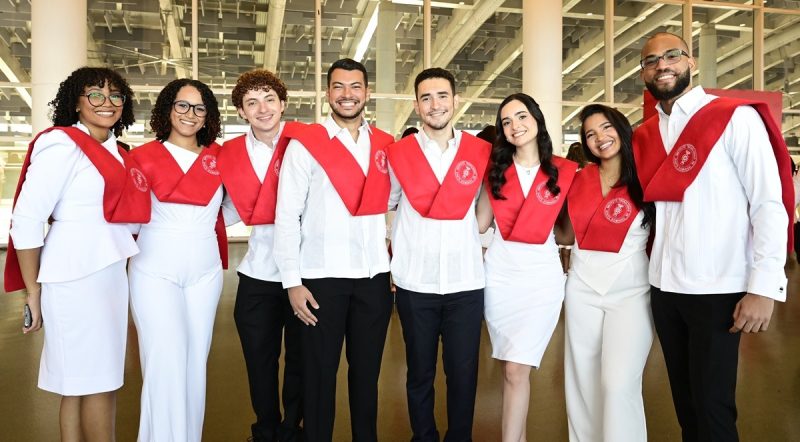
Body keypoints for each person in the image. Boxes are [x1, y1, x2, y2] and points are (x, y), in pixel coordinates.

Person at [633, 32, 793, 441]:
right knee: (686, 408)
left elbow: (768, 204)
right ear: (644, 74)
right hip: (664, 288)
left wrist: (764, 287)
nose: (662, 65)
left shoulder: (734, 118)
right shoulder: (646, 134)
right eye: (651, 61)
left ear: (691, 62)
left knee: (713, 410)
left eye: (672, 55)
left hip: (718, 288)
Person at [4, 66, 150, 440]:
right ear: (76, 102)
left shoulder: (119, 152)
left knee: (95, 379)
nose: (107, 102)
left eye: (115, 95)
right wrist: (32, 293)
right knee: (89, 381)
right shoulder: (62, 144)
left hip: (110, 273)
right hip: (74, 275)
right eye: (95, 94)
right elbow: (27, 219)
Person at [274, 58, 394, 442]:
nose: (347, 94)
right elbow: (286, 216)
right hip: (320, 279)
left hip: (373, 279)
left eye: (355, 86)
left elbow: (399, 205)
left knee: (367, 378)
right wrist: (292, 282)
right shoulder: (305, 145)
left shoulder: (385, 146)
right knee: (318, 378)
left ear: (367, 93)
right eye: (339, 86)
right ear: (328, 93)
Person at [387, 67, 491, 442]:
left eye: (442, 96)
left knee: (463, 373)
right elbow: (387, 204)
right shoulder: (399, 155)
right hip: (416, 282)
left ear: (455, 100)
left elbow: (483, 213)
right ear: (417, 105)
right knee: (419, 372)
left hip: (466, 281)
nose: (435, 105)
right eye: (426, 98)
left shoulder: (479, 153)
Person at [475, 93, 578, 442]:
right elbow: (480, 224)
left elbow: (564, 233)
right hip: (500, 278)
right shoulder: (495, 174)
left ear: (537, 119)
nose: (515, 126)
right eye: (506, 122)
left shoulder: (563, 172)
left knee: (518, 368)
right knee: (511, 371)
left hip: (541, 281)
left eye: (521, 117)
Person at [128, 78, 226, 442]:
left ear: (208, 115)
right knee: (165, 361)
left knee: (194, 363)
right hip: (155, 268)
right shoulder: (141, 157)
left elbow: (232, 208)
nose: (190, 114)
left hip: (206, 270)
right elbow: (129, 215)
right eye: (182, 105)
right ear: (168, 109)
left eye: (199, 108)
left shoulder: (220, 158)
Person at [217, 69, 304, 442]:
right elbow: (226, 210)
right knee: (259, 360)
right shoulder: (229, 154)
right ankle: (265, 430)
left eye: (269, 99)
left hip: (305, 272)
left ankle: (293, 429)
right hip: (258, 273)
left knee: (301, 360)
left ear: (282, 104)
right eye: (251, 102)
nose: (262, 108)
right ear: (241, 111)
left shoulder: (306, 143)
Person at [563, 104, 655, 442]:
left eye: (606, 127)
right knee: (582, 382)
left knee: (618, 383)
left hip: (632, 292)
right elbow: (565, 234)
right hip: (582, 288)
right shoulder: (578, 180)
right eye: (590, 134)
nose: (599, 137)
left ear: (621, 128)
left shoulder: (646, 176)